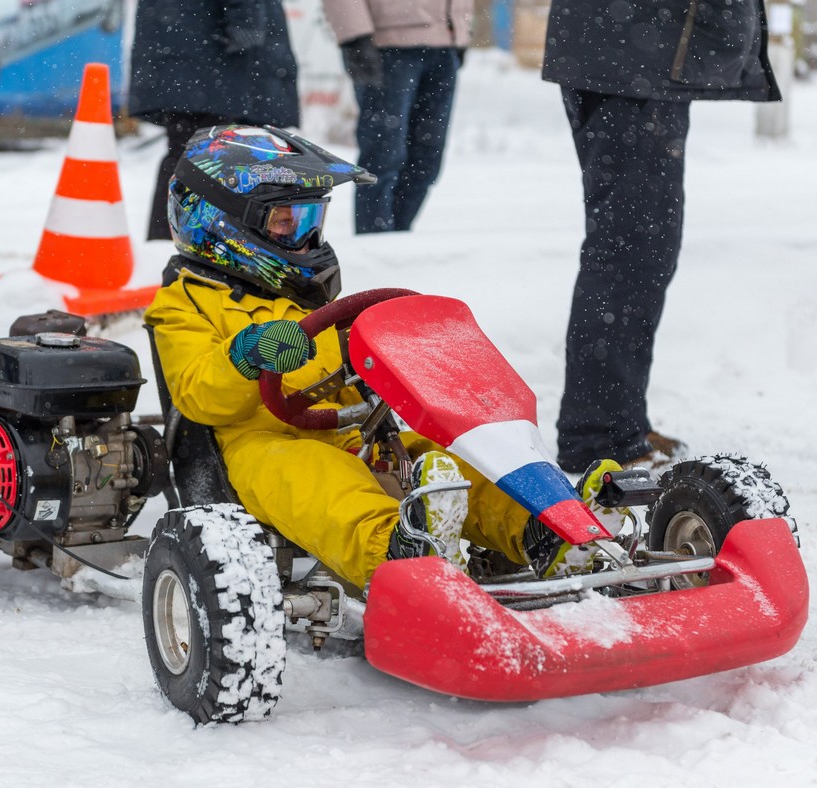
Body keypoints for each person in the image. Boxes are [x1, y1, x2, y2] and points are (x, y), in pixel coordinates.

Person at [145, 125, 621, 588]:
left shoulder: (304, 295)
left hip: (353, 432)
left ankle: (541, 530)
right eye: (286, 221)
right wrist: (247, 354)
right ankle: (397, 554)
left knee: (446, 464)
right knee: (320, 483)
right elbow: (196, 394)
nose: (305, 236)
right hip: (258, 446)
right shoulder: (182, 304)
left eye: (311, 219)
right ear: (219, 224)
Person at [542, 0, 781, 474]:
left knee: (641, 250)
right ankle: (598, 435)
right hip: (629, 50)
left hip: (636, 50)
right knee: (631, 252)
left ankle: (615, 422)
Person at [128, 0, 300, 242]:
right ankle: (199, 250)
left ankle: (168, 244)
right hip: (214, 48)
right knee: (214, 157)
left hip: (185, 37)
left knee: (190, 154)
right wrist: (246, 19)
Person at [321, 0, 472, 234]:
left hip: (445, 44)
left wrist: (461, 27)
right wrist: (354, 36)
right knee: (382, 155)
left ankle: (397, 241)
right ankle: (375, 242)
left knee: (426, 158)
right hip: (386, 46)